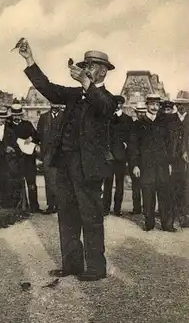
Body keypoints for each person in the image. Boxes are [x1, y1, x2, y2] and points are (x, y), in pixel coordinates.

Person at [18, 40, 117, 281]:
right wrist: (30, 60)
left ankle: (96, 268)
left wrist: (85, 82)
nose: (86, 69)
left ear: (103, 71)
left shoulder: (108, 98)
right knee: (68, 217)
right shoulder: (75, 95)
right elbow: (49, 88)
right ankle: (72, 265)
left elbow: (102, 107)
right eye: (85, 65)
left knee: (91, 217)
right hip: (65, 165)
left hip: (88, 168)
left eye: (91, 66)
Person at [130, 94, 175, 232]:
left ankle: (167, 224)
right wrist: (135, 165)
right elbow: (133, 146)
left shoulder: (164, 123)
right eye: (152, 104)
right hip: (145, 165)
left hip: (162, 165)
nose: (155, 107)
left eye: (157, 105)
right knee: (148, 194)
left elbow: (169, 144)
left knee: (164, 194)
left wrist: (169, 162)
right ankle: (149, 224)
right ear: (147, 105)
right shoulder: (138, 124)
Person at [103, 95, 132, 216]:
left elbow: (130, 137)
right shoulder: (107, 118)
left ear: (122, 105)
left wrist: (125, 145)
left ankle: (117, 208)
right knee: (107, 183)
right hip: (108, 156)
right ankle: (105, 208)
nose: (117, 106)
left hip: (121, 156)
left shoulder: (127, 119)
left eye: (119, 104)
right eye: (115, 104)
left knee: (120, 184)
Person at [9, 102, 40, 213]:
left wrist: (31, 138)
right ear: (12, 115)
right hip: (15, 159)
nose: (17, 117)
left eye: (18, 115)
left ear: (21, 115)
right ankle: (20, 206)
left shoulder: (27, 124)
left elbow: (37, 135)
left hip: (28, 159)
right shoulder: (8, 125)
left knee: (31, 183)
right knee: (17, 183)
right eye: (15, 115)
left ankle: (34, 207)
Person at [34, 103, 64, 214]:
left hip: (61, 154)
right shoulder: (43, 117)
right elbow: (38, 135)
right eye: (53, 102)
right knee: (48, 179)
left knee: (60, 180)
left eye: (57, 102)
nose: (55, 104)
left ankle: (61, 206)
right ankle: (51, 205)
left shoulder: (65, 116)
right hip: (47, 153)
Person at [173, 92, 189, 227]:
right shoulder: (172, 119)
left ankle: (187, 215)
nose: (181, 107)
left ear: (188, 105)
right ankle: (177, 213)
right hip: (175, 159)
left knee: (188, 186)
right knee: (176, 185)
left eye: (184, 104)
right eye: (179, 104)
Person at [127, 102, 147, 215]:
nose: (141, 114)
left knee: (146, 185)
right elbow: (132, 144)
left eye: (143, 112)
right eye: (139, 112)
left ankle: (146, 208)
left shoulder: (149, 125)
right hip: (134, 159)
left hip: (146, 160)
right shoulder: (133, 125)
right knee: (135, 186)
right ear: (136, 113)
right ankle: (136, 208)